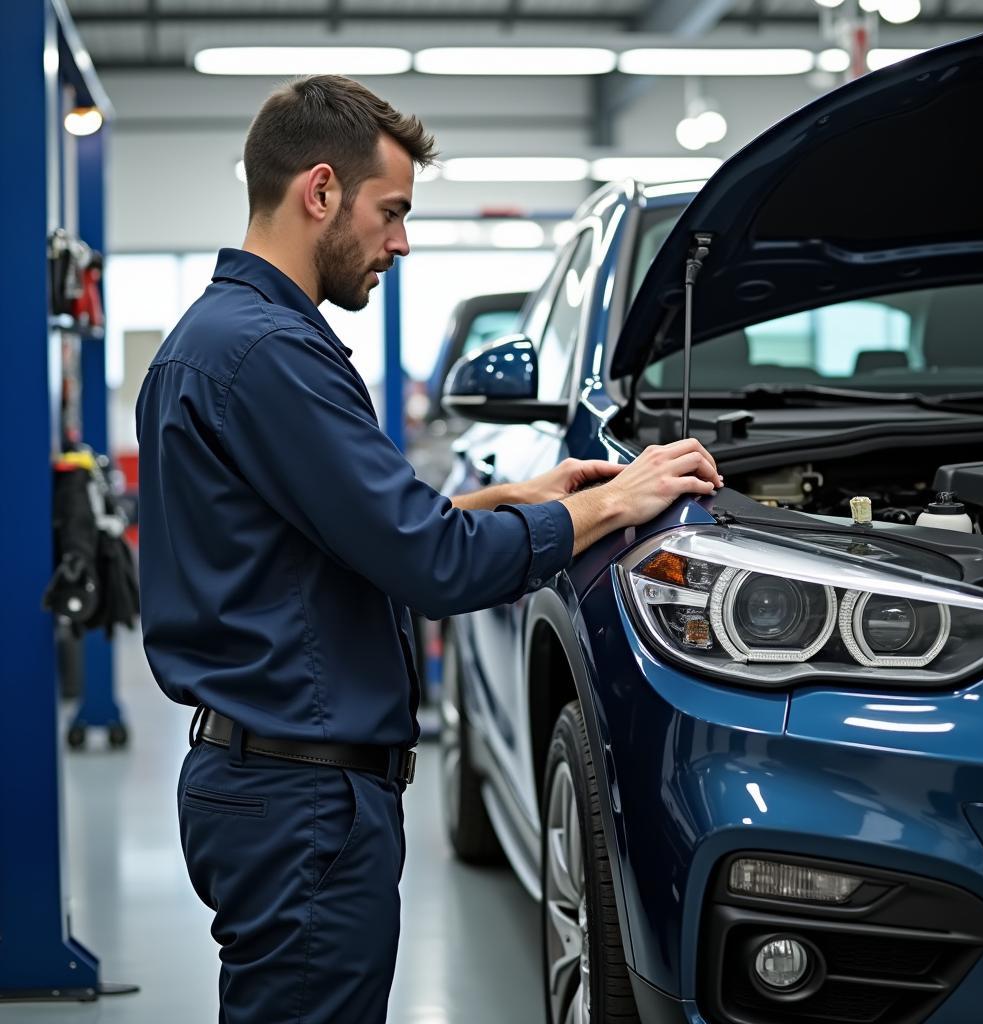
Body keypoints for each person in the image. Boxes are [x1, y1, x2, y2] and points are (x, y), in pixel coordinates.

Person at [135, 74, 722, 1024]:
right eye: (392, 212)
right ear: (319, 191)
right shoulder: (271, 354)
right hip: (304, 802)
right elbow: (433, 564)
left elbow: (336, 531)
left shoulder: (218, 342)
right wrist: (617, 504)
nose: (400, 243)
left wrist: (518, 494)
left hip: (273, 784)